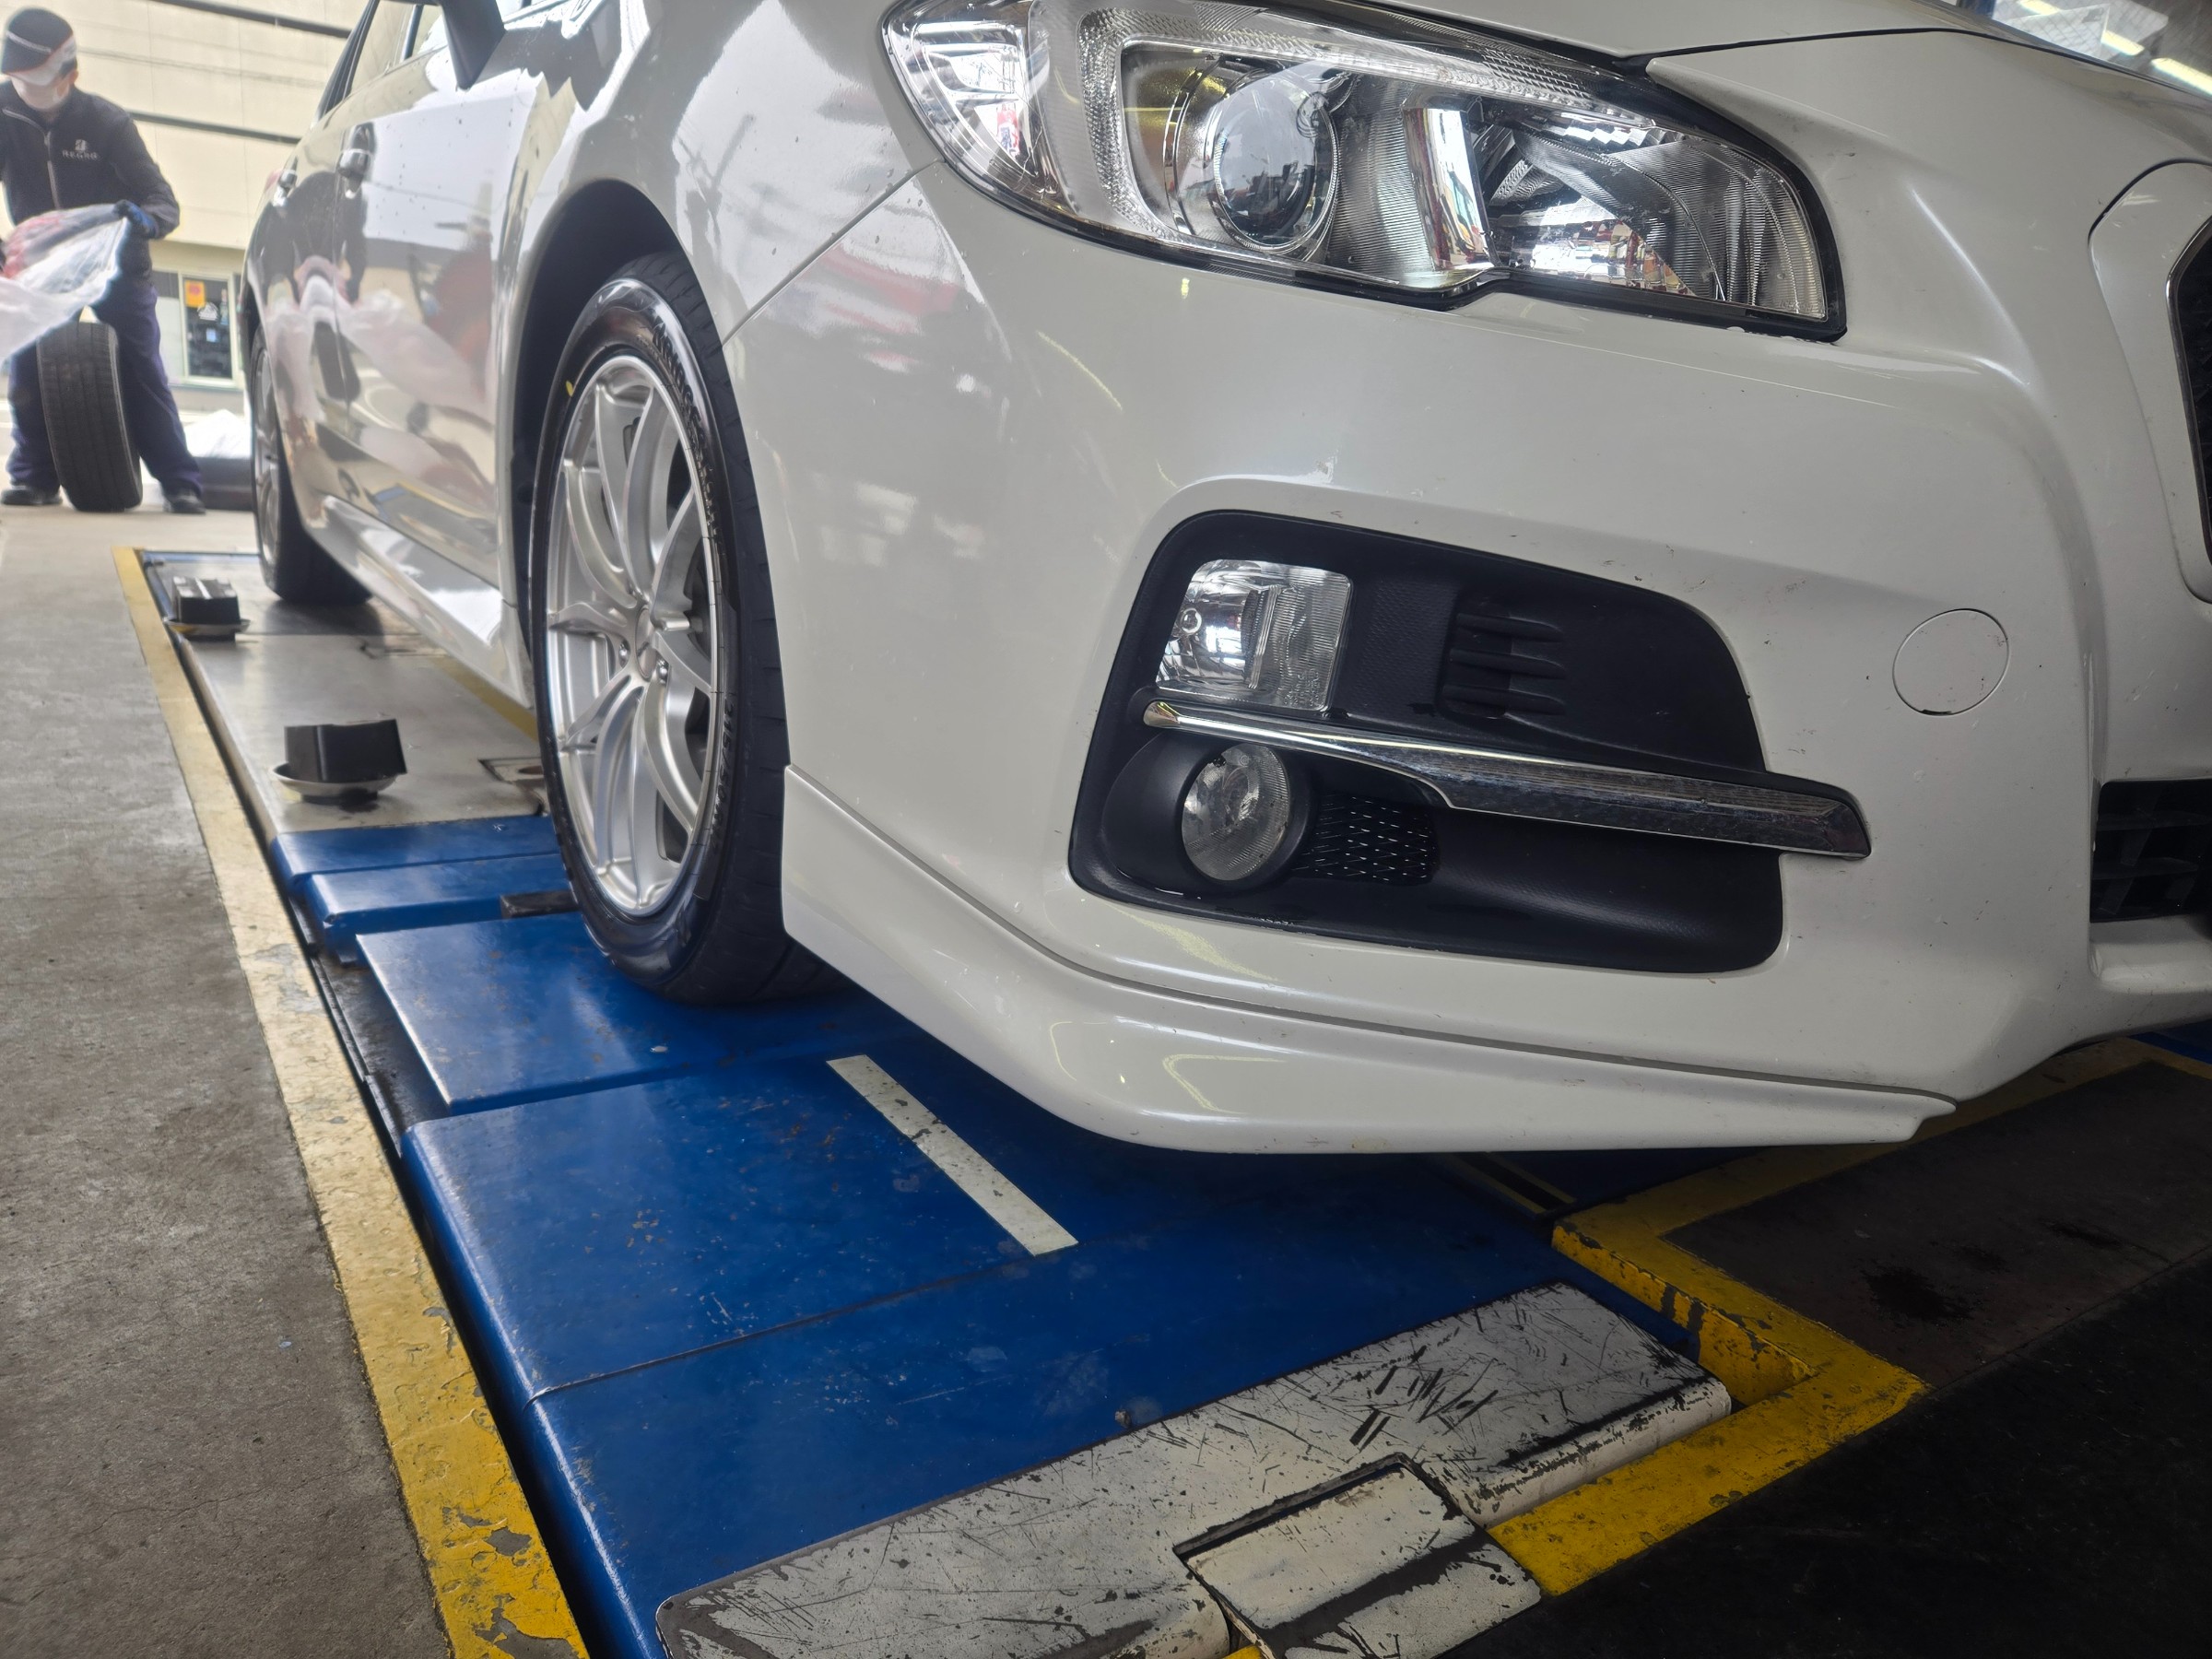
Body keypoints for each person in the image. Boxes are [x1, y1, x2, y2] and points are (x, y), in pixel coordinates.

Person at [0, 7, 200, 512]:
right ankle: (35, 478)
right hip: (46, 267)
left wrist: (145, 221)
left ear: (70, 74)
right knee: (28, 368)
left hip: (117, 267)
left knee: (141, 368)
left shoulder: (106, 122)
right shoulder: (4, 115)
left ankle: (180, 482)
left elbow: (163, 201)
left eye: (35, 80)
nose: (24, 89)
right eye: (17, 80)